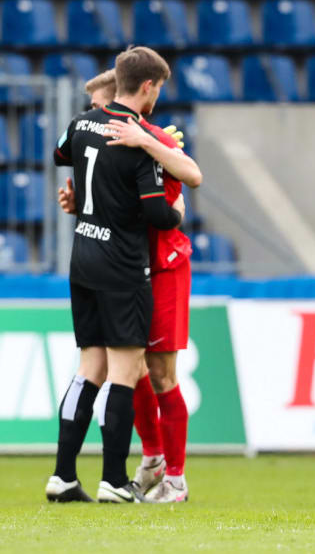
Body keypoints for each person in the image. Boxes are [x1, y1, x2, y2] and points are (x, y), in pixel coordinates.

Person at [56, 67, 202, 502]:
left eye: (101, 104)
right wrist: (77, 202)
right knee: (131, 368)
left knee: (160, 373)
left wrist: (152, 145)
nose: (98, 113)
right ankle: (150, 460)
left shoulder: (149, 136)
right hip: (126, 265)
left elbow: (191, 177)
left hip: (163, 265)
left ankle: (174, 476)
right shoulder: (103, 134)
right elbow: (106, 197)